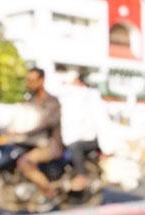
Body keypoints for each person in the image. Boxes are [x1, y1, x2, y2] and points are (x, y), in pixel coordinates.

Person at [11, 68, 64, 200]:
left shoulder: (52, 102)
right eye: (28, 80)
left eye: (32, 80)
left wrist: (23, 132)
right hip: (31, 143)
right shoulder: (30, 100)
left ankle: (49, 191)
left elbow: (45, 123)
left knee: (24, 162)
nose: (29, 83)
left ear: (41, 80)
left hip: (50, 145)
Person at [60, 72, 103, 192]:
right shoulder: (72, 96)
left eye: (73, 81)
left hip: (90, 138)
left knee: (75, 146)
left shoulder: (88, 96)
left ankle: (81, 176)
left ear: (79, 81)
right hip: (75, 135)